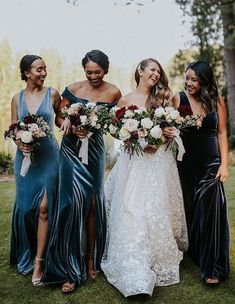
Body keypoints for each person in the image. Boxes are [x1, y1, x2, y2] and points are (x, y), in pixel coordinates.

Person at [101, 58, 188, 297]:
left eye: (158, 71)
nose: (156, 74)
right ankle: (134, 269)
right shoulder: (126, 99)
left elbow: (171, 128)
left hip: (157, 161)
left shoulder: (162, 99)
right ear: (140, 70)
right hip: (134, 163)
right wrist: (129, 137)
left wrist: (162, 137)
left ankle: (154, 257)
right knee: (132, 209)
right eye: (152, 70)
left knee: (156, 207)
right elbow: (115, 129)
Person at [42, 50, 121, 293]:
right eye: (89, 72)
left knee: (93, 205)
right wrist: (69, 125)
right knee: (71, 204)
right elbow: (59, 116)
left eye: (97, 72)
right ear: (83, 70)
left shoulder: (114, 92)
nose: (93, 76)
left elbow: (115, 122)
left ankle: (91, 260)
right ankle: (69, 268)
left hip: (95, 151)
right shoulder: (73, 88)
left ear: (105, 70)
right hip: (71, 151)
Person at [166, 60, 230, 284]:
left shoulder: (216, 101)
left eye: (194, 79)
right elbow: (168, 128)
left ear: (204, 80)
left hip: (211, 163)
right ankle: (196, 252)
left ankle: (213, 267)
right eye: (187, 77)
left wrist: (224, 164)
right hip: (185, 163)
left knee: (211, 208)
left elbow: (222, 132)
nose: (189, 82)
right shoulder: (178, 99)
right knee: (191, 210)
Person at [10, 55, 61, 286]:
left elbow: (61, 120)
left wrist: (76, 121)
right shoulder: (16, 99)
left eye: (44, 69)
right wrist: (19, 141)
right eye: (38, 69)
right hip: (25, 159)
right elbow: (12, 129)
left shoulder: (52, 94)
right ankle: (28, 252)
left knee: (44, 209)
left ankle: (40, 261)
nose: (43, 73)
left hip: (50, 157)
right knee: (25, 209)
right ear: (27, 72)